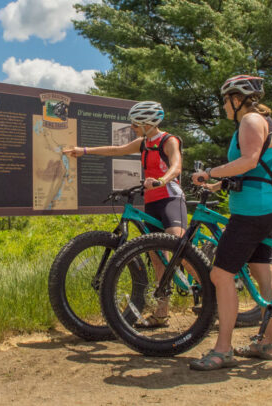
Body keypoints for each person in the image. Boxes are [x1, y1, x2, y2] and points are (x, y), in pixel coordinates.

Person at [188, 75, 272, 370]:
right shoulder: (260, 121)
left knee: (220, 275)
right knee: (261, 270)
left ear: (238, 98)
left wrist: (211, 173)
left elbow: (250, 160)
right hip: (266, 206)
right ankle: (265, 343)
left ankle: (222, 349)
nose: (223, 106)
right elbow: (254, 171)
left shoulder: (250, 121)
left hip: (252, 213)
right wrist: (219, 186)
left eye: (225, 100)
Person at [63, 101, 186, 327]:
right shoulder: (143, 143)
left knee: (180, 248)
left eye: (136, 124)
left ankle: (211, 297)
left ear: (149, 124)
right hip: (151, 202)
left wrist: (161, 181)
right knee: (158, 258)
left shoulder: (169, 140)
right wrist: (84, 151)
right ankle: (162, 313)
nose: (132, 127)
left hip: (170, 197)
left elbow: (176, 166)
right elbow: (115, 150)